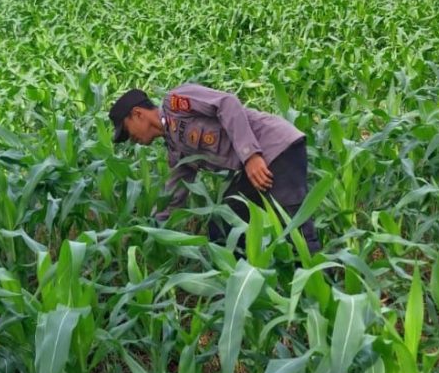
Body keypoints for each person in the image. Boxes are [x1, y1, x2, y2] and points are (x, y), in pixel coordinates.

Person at [109, 83, 320, 252]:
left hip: (276, 147)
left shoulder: (175, 102)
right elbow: (174, 195)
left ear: (138, 114)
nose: (131, 140)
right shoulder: (176, 150)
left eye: (127, 132)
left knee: (294, 227)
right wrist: (148, 231)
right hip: (253, 170)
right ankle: (242, 284)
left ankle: (319, 290)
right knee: (222, 224)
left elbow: (226, 103)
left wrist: (250, 155)